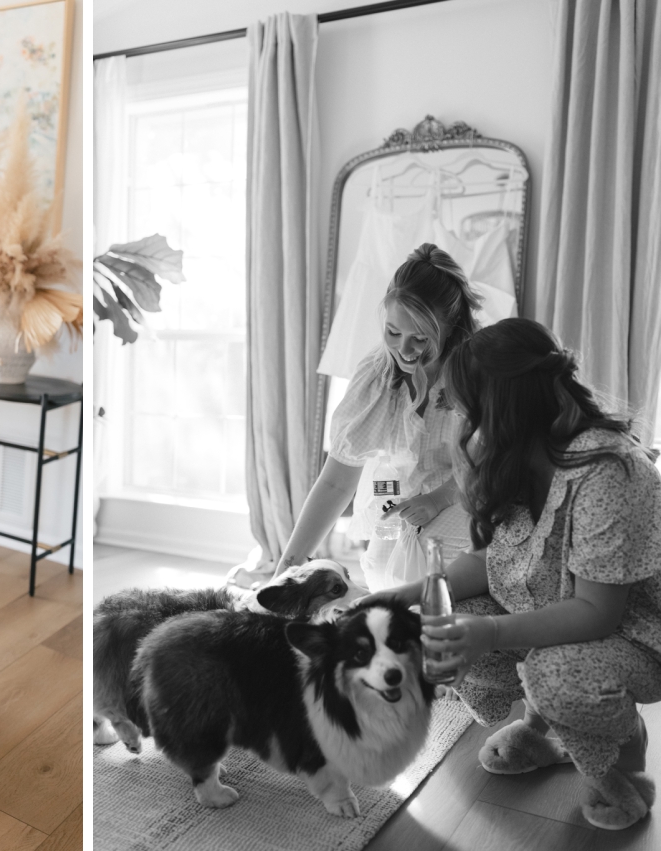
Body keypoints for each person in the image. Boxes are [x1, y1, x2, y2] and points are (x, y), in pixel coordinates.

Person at [371, 317, 661, 831]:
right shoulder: (509, 455)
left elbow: (598, 612)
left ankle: (624, 764)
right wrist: (403, 596)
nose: (456, 419)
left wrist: (492, 632)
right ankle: (543, 731)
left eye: (462, 408)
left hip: (633, 636)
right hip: (553, 610)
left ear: (500, 408)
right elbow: (488, 561)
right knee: (445, 620)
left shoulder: (609, 471)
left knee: (558, 674)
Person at [232, 243, 482, 592]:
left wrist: (438, 499)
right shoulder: (377, 377)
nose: (404, 351)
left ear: (451, 325)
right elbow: (336, 482)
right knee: (381, 572)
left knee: (425, 570)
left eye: (421, 339)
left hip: (464, 489)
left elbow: (492, 459)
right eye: (393, 333)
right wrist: (285, 570)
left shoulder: (475, 371)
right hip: (397, 490)